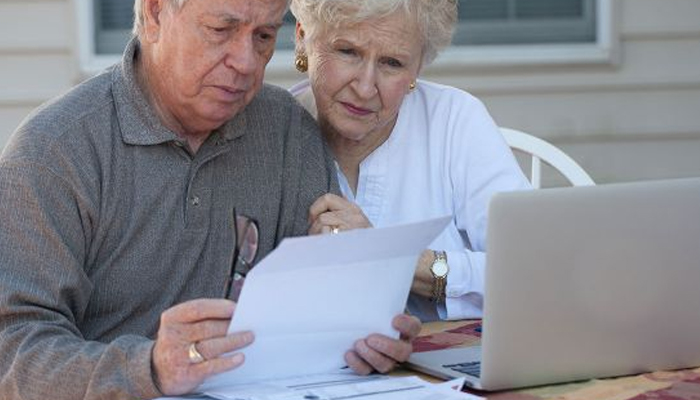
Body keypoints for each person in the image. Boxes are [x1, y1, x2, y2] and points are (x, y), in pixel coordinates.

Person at [0, 0, 420, 399]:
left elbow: (316, 317)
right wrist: (150, 368)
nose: (246, 61)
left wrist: (365, 334)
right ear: (155, 14)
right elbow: (12, 354)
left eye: (263, 37)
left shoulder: (287, 131)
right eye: (221, 29)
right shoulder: (54, 152)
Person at [290, 0, 531, 322]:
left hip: (451, 361)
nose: (364, 88)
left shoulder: (454, 120)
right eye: (348, 52)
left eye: (392, 63)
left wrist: (392, 257)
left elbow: (531, 268)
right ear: (303, 39)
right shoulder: (271, 136)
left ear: (417, 69)